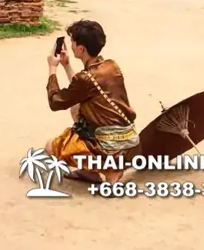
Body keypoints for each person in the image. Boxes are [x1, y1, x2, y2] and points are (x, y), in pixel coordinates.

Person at [44, 19, 139, 183]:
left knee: (50, 146)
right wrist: (67, 66)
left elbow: (56, 102)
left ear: (81, 48)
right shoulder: (112, 66)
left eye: (73, 41)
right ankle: (94, 170)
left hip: (106, 146)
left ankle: (110, 172)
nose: (71, 44)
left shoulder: (85, 79)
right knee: (76, 109)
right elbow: (85, 89)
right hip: (128, 141)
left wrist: (52, 69)